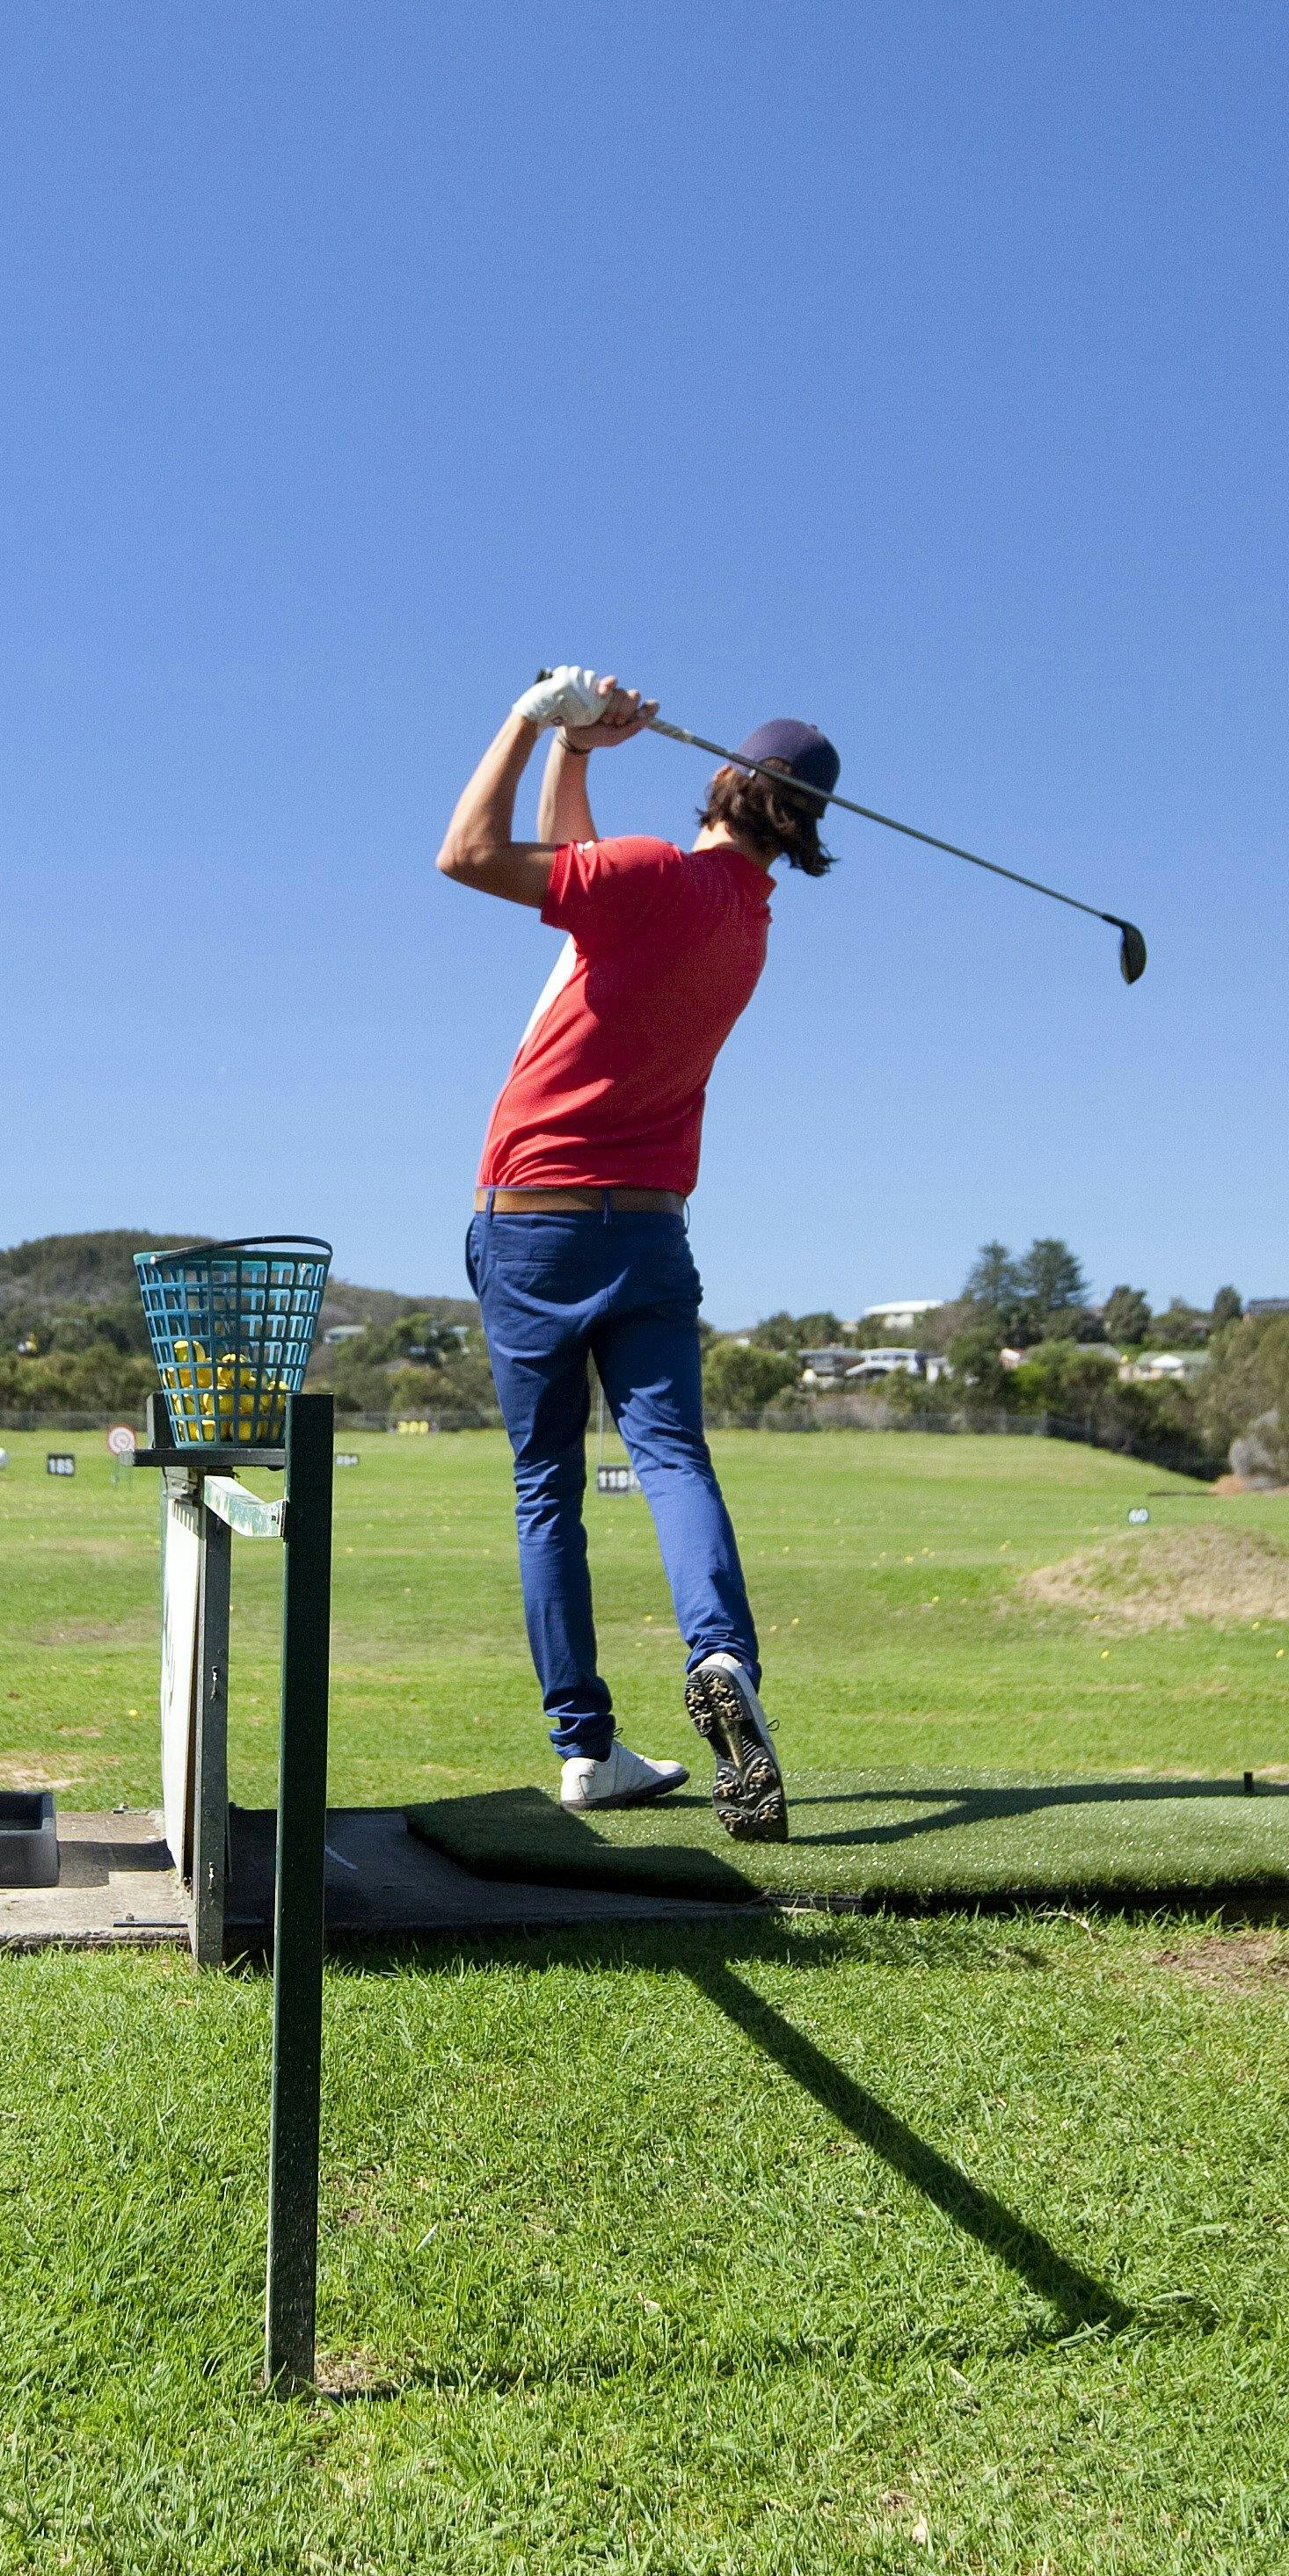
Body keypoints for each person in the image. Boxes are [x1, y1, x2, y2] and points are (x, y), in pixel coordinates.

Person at [432, 666, 827, 1839]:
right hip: (650, 1228)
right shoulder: (742, 920)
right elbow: (583, 877)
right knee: (672, 1463)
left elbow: (464, 855)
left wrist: (523, 715)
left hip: (534, 1221)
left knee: (548, 1489)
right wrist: (583, 751)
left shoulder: (656, 876)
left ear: (725, 778)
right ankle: (722, 1658)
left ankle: (583, 1749)